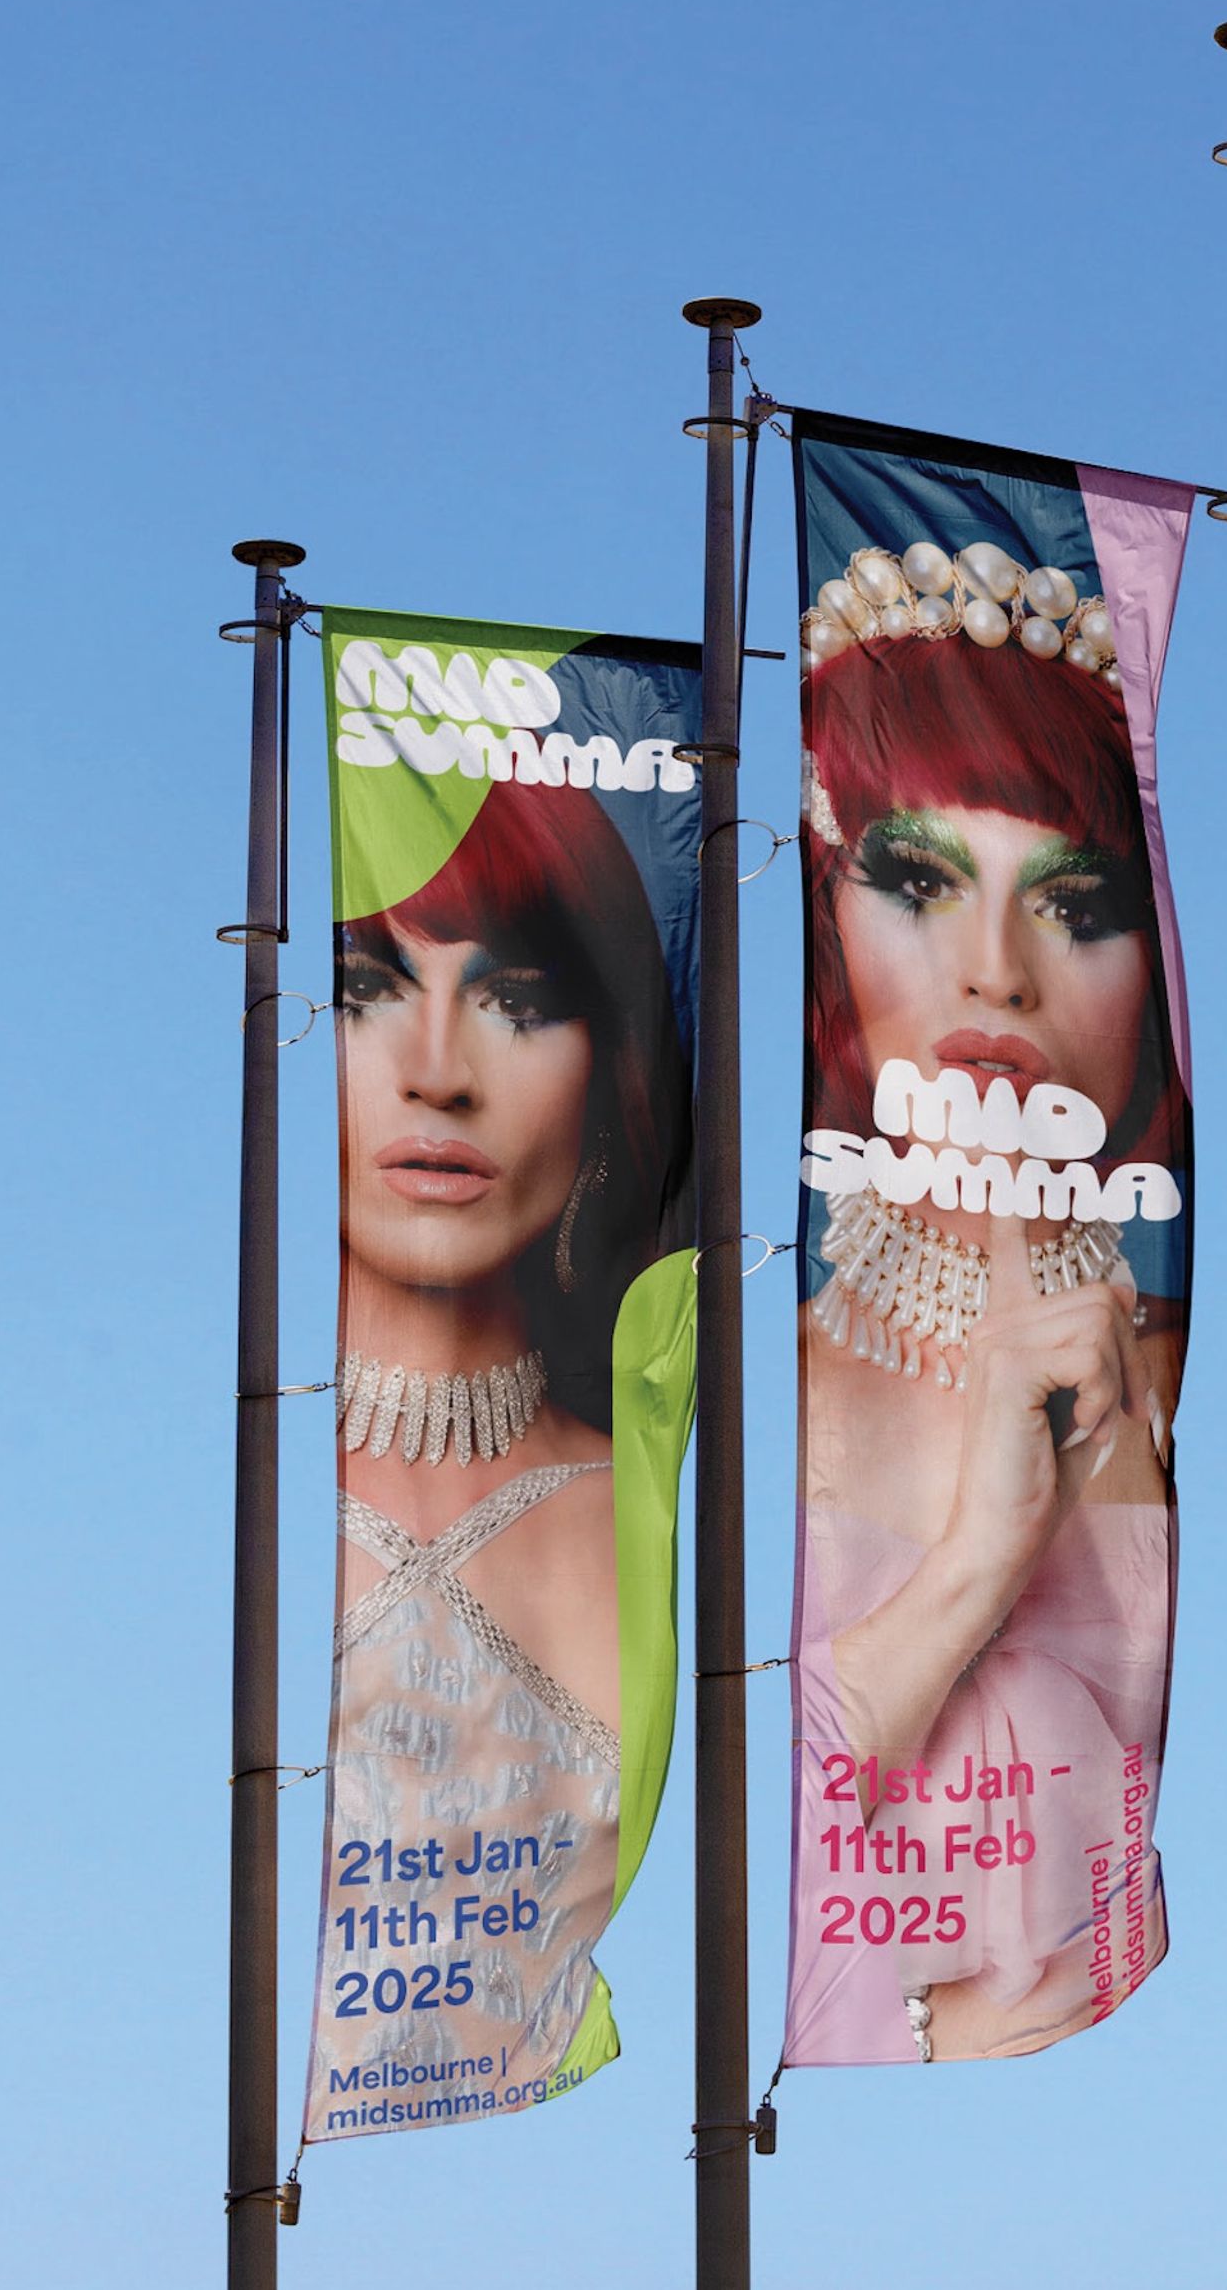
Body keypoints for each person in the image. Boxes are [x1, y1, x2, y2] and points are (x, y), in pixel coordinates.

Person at [789, 536, 1187, 2063]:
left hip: (1204, 2133)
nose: (996, 973)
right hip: (854, 2172)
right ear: (833, 920)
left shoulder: (1212, 1377)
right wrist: (982, 1558)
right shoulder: (761, 1388)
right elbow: (742, 1878)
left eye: (1076, 904)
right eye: (919, 881)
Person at [323, 773, 681, 2081]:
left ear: (608, 1084)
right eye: (369, 988)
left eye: (520, 999)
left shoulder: (619, 1501)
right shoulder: (231, 1501)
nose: (437, 1072)